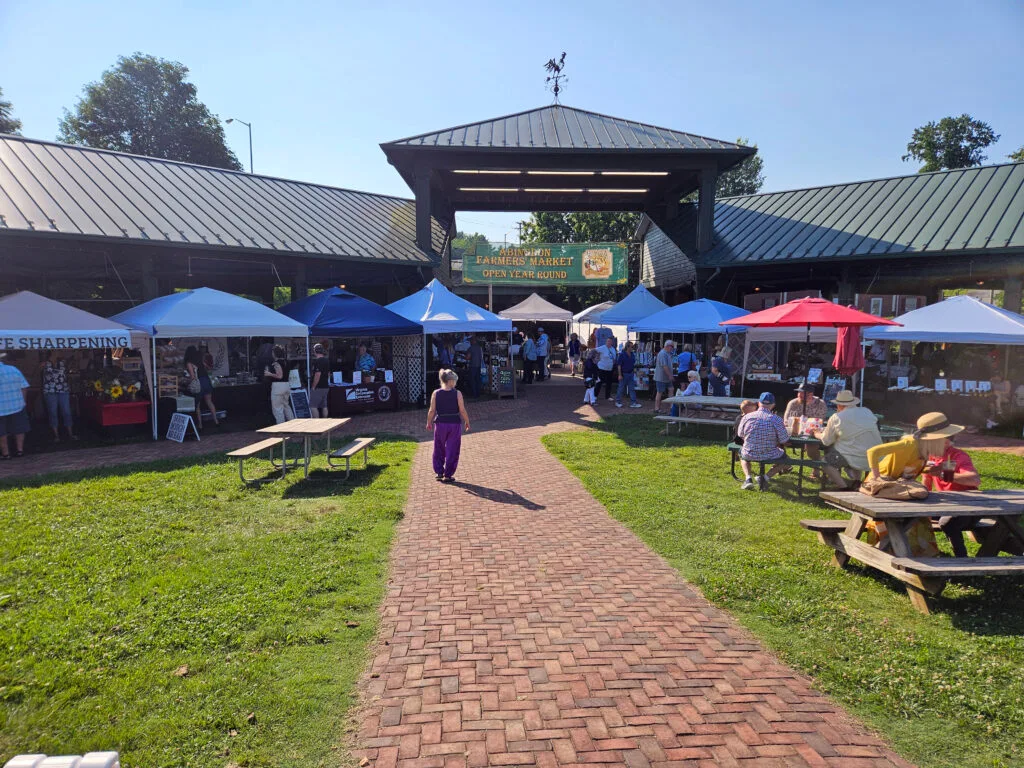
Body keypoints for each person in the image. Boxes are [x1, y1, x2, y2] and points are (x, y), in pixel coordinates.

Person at [864, 412, 965, 557]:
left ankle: (918, 554)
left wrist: (933, 470)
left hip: (899, 487)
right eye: (947, 437)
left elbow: (910, 467)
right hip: (885, 488)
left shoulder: (928, 449)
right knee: (902, 519)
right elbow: (872, 451)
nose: (950, 440)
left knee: (919, 518)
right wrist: (876, 477)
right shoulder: (910, 444)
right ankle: (892, 555)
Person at [919, 423, 980, 557]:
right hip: (946, 506)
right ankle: (920, 553)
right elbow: (926, 484)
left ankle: (961, 559)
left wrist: (942, 474)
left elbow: (974, 480)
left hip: (970, 507)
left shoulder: (959, 456)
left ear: (946, 442)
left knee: (947, 522)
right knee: (910, 517)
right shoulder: (931, 458)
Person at [810, 390, 881, 489]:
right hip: (875, 456)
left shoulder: (836, 417)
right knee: (855, 444)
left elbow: (826, 441)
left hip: (853, 456)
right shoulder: (867, 411)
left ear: (839, 405)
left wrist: (817, 433)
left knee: (825, 461)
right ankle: (857, 481)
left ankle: (843, 487)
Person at [736, 392, 791, 490]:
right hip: (770, 453)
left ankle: (748, 479)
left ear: (758, 403)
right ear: (773, 405)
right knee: (786, 460)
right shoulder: (777, 419)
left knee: (742, 454)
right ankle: (764, 477)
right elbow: (784, 440)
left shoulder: (747, 417)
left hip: (749, 452)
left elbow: (740, 434)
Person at [426, 368, 470, 483]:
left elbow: (432, 410)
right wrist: (467, 421)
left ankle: (439, 472)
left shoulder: (436, 393)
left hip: (440, 423)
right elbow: (462, 410)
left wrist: (428, 422)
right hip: (454, 423)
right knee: (452, 449)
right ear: (450, 381)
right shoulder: (457, 393)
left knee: (438, 447)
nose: (455, 383)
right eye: (454, 381)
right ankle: (448, 474)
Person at [783, 383, 826, 473]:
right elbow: (786, 420)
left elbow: (820, 422)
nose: (799, 395)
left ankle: (817, 468)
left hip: (811, 434)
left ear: (810, 394)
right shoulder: (793, 403)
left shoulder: (820, 404)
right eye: (799, 392)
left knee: (811, 449)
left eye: (802, 393)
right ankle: (784, 465)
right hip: (793, 433)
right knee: (776, 442)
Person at [39, 352, 76, 441]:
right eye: (57, 350)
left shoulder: (63, 363)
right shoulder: (44, 363)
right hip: (50, 391)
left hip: (63, 390)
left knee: (66, 411)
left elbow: (68, 373)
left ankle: (70, 433)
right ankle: (56, 435)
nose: (59, 352)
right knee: (53, 412)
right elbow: (37, 373)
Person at [0, 352, 30, 459]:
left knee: (1, 432)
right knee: (19, 429)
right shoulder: (13, 369)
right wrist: (23, 401)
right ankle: (20, 450)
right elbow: (24, 386)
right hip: (17, 405)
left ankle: (6, 453)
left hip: (1, 408)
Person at [184, 345, 219, 427]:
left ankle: (200, 425)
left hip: (199, 384)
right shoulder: (201, 359)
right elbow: (208, 368)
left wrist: (186, 380)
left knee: (197, 406)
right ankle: (216, 421)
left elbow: (192, 377)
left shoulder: (189, 362)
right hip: (206, 381)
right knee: (209, 402)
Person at [265, 344, 294, 424]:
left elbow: (280, 376)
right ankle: (293, 425)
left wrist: (269, 374)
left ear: (274, 353)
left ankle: (281, 429)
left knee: (278, 409)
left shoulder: (276, 363)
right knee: (286, 406)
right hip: (287, 385)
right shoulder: (287, 362)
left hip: (278, 387)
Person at [615, 341, 642, 408]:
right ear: (627, 347)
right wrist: (620, 375)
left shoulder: (632, 354)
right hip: (624, 374)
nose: (633, 348)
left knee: (631, 388)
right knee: (621, 388)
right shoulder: (622, 354)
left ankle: (633, 403)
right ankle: (618, 401)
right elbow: (619, 365)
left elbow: (633, 363)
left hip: (631, 373)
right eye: (631, 347)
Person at [653, 340, 676, 415]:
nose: (673, 348)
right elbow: (664, 366)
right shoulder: (662, 354)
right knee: (659, 392)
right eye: (672, 346)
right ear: (668, 346)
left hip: (667, 378)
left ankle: (672, 407)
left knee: (671, 389)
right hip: (661, 377)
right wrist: (670, 376)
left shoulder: (668, 354)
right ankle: (657, 408)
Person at [309, 343, 331, 417]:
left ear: (315, 351)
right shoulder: (326, 360)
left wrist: (313, 386)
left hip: (318, 387)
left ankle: (317, 424)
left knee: (313, 406)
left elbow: (317, 375)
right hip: (325, 386)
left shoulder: (317, 361)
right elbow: (328, 374)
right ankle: (324, 422)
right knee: (324, 406)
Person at [596, 336, 617, 401]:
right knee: (599, 382)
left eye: (610, 341)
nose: (609, 342)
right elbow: (594, 351)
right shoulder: (602, 348)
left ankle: (607, 396)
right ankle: (595, 395)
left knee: (609, 383)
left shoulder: (613, 349)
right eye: (608, 341)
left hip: (610, 369)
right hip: (602, 368)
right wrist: (596, 359)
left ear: (612, 342)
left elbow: (614, 358)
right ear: (606, 342)